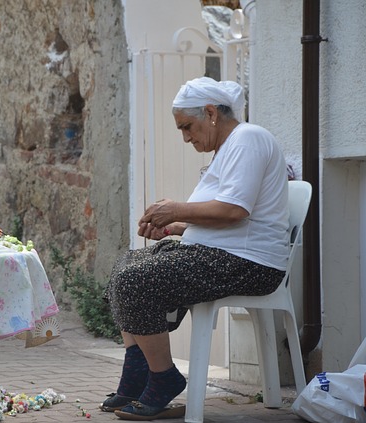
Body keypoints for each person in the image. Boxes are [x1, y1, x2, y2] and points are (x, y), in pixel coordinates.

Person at [101, 76, 290, 420]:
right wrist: (175, 226)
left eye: (187, 127)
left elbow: (234, 211)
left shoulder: (248, 139)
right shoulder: (229, 147)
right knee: (123, 266)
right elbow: (224, 217)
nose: (186, 137)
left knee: (136, 281)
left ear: (210, 113)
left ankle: (163, 379)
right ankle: (137, 375)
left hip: (249, 263)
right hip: (219, 254)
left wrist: (175, 210)